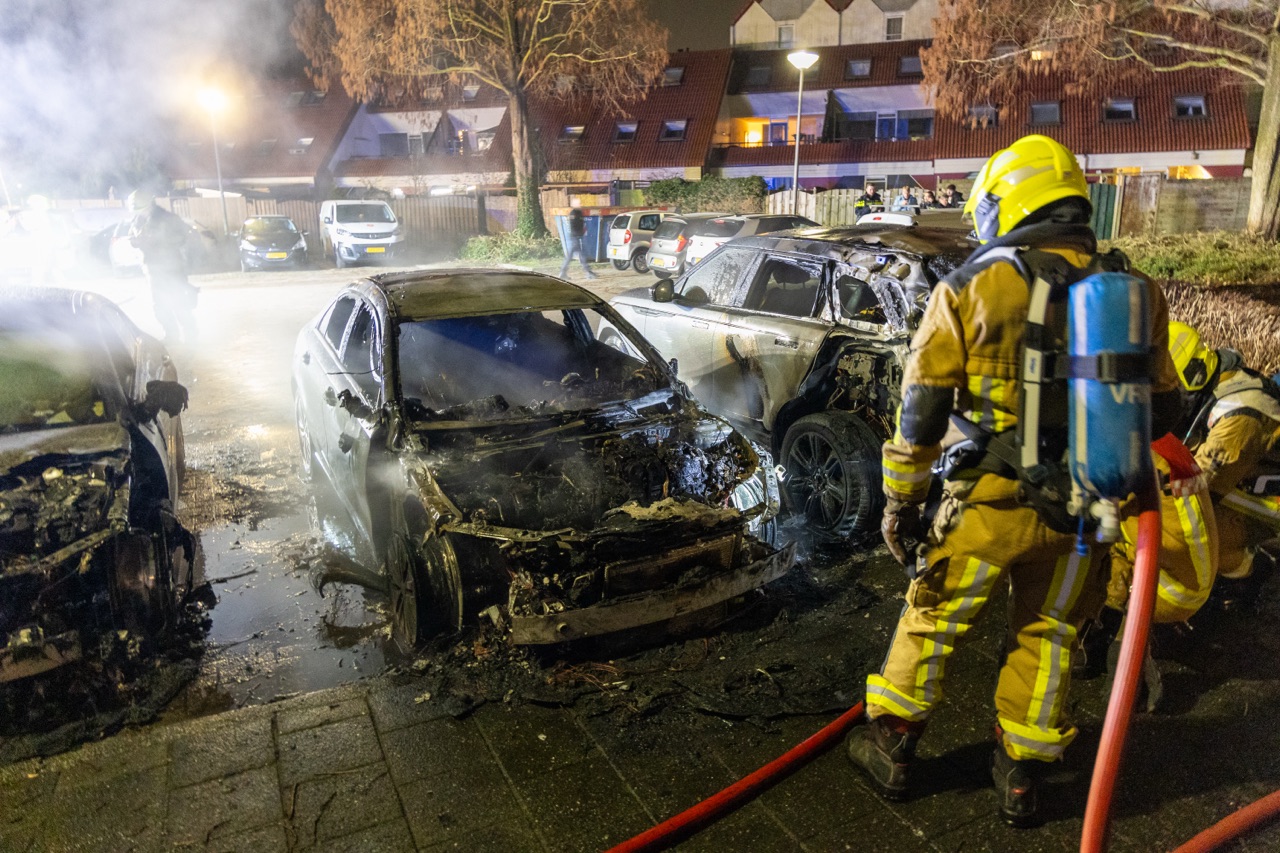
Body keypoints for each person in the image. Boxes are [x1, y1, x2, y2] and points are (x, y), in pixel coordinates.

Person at [846, 134, 1184, 827]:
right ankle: (1025, 771)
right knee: (1052, 631)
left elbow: (922, 409)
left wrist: (902, 505)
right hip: (1086, 513)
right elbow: (1166, 409)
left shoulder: (973, 285)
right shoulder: (1135, 290)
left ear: (1008, 202)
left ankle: (893, 742)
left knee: (934, 618)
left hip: (986, 505)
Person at [1169, 321, 1280, 608]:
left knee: (1194, 520)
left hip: (1268, 497)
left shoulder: (1241, 415)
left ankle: (1243, 573)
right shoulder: (1217, 383)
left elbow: (1199, 484)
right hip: (1248, 481)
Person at [127, 190, 198, 345]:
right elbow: (132, 238)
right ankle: (171, 335)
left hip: (172, 266)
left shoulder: (168, 218)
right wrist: (136, 241)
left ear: (149, 205)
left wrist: (161, 242)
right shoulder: (137, 220)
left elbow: (184, 235)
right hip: (152, 268)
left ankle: (191, 337)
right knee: (159, 304)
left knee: (179, 301)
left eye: (141, 208)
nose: (140, 212)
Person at [559, 208, 597, 280]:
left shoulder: (574, 213)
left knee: (571, 256)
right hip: (576, 237)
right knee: (581, 255)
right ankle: (588, 272)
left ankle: (563, 272)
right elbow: (577, 224)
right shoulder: (576, 213)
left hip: (574, 237)